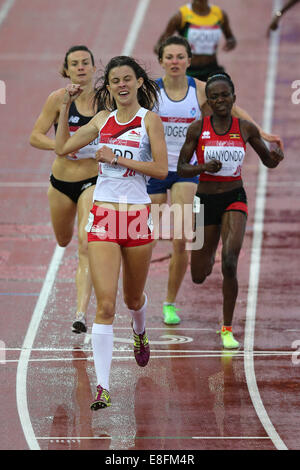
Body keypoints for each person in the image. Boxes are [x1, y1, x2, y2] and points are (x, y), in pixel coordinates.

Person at [54, 56, 168, 410]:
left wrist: (118, 159)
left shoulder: (149, 121)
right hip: (103, 216)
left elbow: (161, 169)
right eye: (114, 80)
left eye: (126, 80)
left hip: (136, 217)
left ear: (137, 83)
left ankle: (139, 330)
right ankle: (103, 387)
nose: (120, 85)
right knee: (105, 305)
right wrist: (64, 107)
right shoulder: (101, 120)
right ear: (109, 87)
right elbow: (62, 148)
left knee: (133, 299)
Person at [148, 35, 283, 326]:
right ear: (161, 61)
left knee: (181, 238)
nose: (174, 62)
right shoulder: (150, 93)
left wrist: (263, 133)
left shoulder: (200, 91)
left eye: (180, 57)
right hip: (156, 170)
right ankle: (138, 293)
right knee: (144, 238)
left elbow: (236, 113)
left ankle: (169, 303)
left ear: (189, 60)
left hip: (189, 172)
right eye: (169, 57)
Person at [177, 72, 284, 349]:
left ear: (233, 98)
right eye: (214, 96)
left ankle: (226, 328)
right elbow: (181, 168)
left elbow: (268, 162)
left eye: (225, 95)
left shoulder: (245, 128)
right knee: (198, 275)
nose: (220, 100)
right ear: (208, 101)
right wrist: (202, 168)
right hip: (204, 200)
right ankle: (209, 250)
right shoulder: (197, 128)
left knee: (230, 262)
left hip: (234, 197)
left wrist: (276, 158)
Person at [30, 45, 99, 334]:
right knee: (63, 240)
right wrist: (61, 148)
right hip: (60, 184)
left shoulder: (104, 102)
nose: (81, 67)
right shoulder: (58, 99)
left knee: (86, 242)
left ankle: (81, 313)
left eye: (86, 62)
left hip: (92, 181)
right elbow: (35, 136)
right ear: (66, 70)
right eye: (75, 64)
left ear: (94, 68)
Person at [154, 0, 236, 82]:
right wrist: (167, 54)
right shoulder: (181, 16)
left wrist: (231, 42)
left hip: (212, 69)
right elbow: (160, 44)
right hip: (189, 72)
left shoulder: (220, 14)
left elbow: (230, 37)